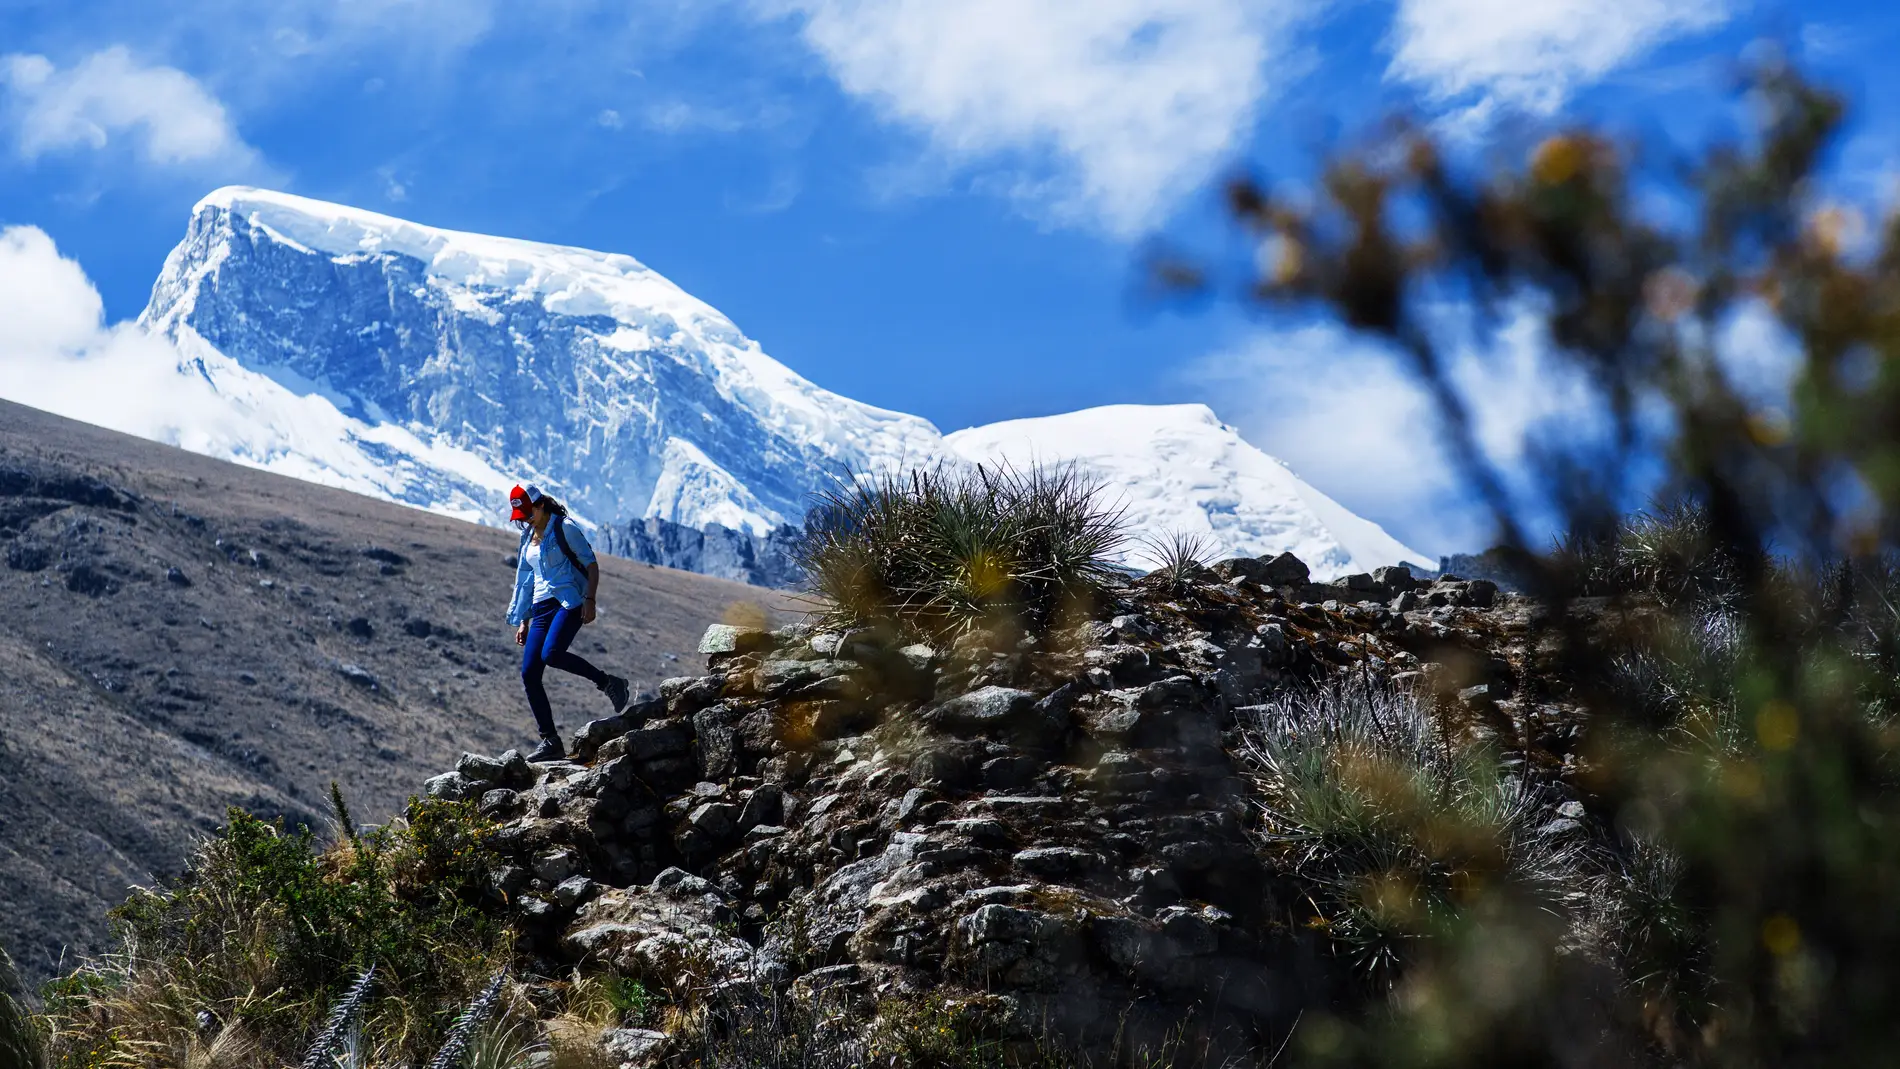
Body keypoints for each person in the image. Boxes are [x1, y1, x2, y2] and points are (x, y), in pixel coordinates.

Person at [506, 483, 631, 761]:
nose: (525, 519)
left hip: (568, 601)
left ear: (540, 505)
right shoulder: (527, 538)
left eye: (528, 513)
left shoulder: (565, 528)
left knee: (551, 654)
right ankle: (550, 741)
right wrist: (524, 620)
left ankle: (608, 682)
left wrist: (590, 599)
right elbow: (527, 580)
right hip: (539, 609)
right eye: (520, 516)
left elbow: (591, 564)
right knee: (529, 673)